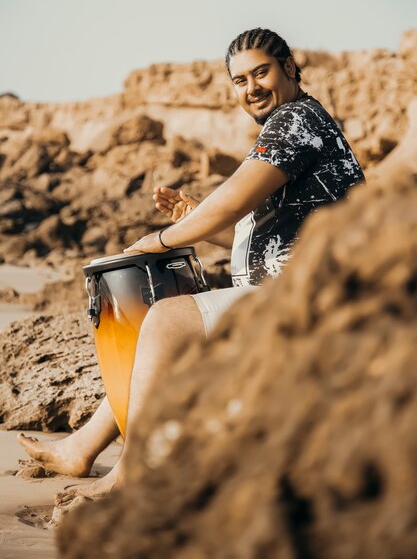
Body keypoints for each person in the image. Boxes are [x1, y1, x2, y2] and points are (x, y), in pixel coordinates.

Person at [18, 28, 365, 499]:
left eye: (261, 72)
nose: (252, 87)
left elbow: (228, 204)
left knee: (167, 318)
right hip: (296, 291)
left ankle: (130, 472)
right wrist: (196, 218)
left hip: (314, 301)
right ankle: (81, 447)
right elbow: (254, 232)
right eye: (239, 80)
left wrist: (159, 240)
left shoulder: (296, 122)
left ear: (288, 68)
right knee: (161, 336)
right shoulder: (294, 123)